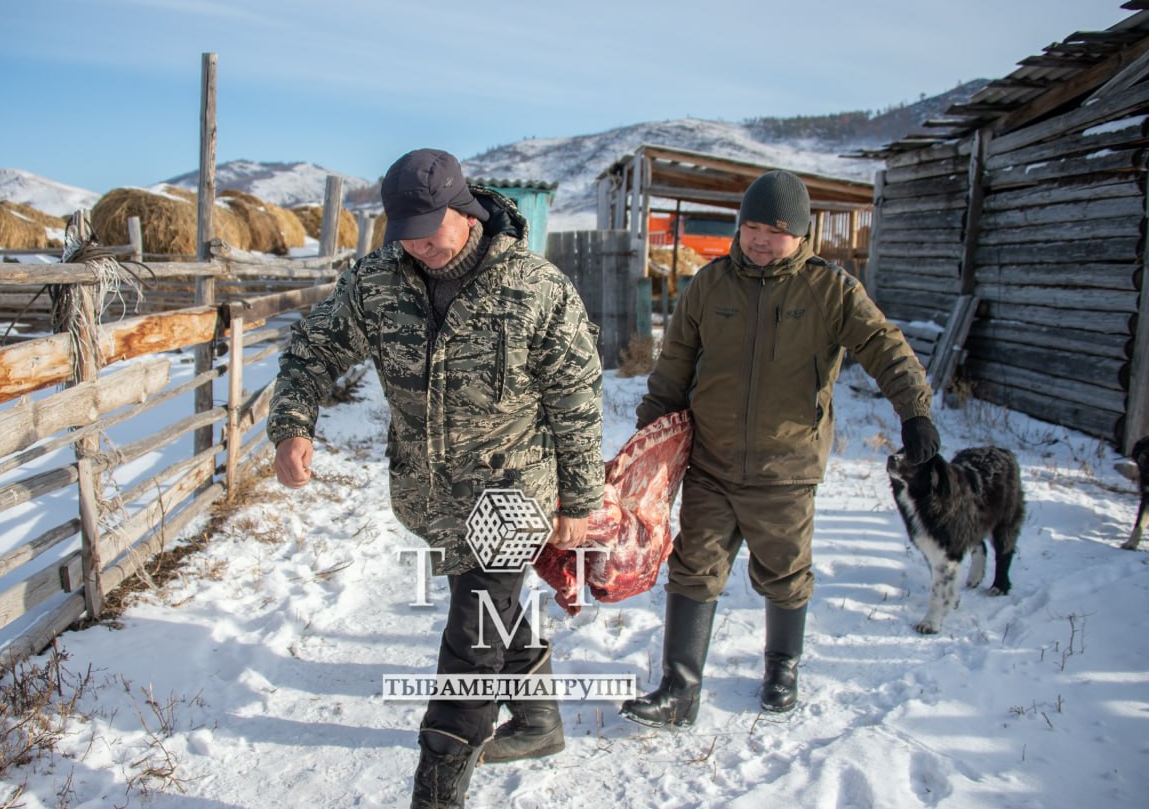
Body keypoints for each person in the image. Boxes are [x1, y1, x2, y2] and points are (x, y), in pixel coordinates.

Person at [267, 148, 604, 809]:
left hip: (514, 491)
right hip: (432, 496)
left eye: (429, 229)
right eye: (405, 230)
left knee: (471, 641)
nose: (416, 245)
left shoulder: (536, 289)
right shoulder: (376, 281)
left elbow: (577, 394)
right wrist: (293, 426)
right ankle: (539, 722)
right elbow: (314, 348)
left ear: (466, 212)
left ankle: (438, 792)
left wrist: (580, 495)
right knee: (492, 609)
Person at [620, 169, 939, 727]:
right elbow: (672, 370)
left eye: (775, 230)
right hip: (711, 461)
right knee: (693, 568)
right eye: (751, 227)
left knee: (785, 573)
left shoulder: (829, 289)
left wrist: (915, 411)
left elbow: (884, 346)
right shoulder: (710, 284)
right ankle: (679, 688)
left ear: (801, 234)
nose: (760, 239)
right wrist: (645, 443)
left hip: (786, 467)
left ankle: (781, 668)